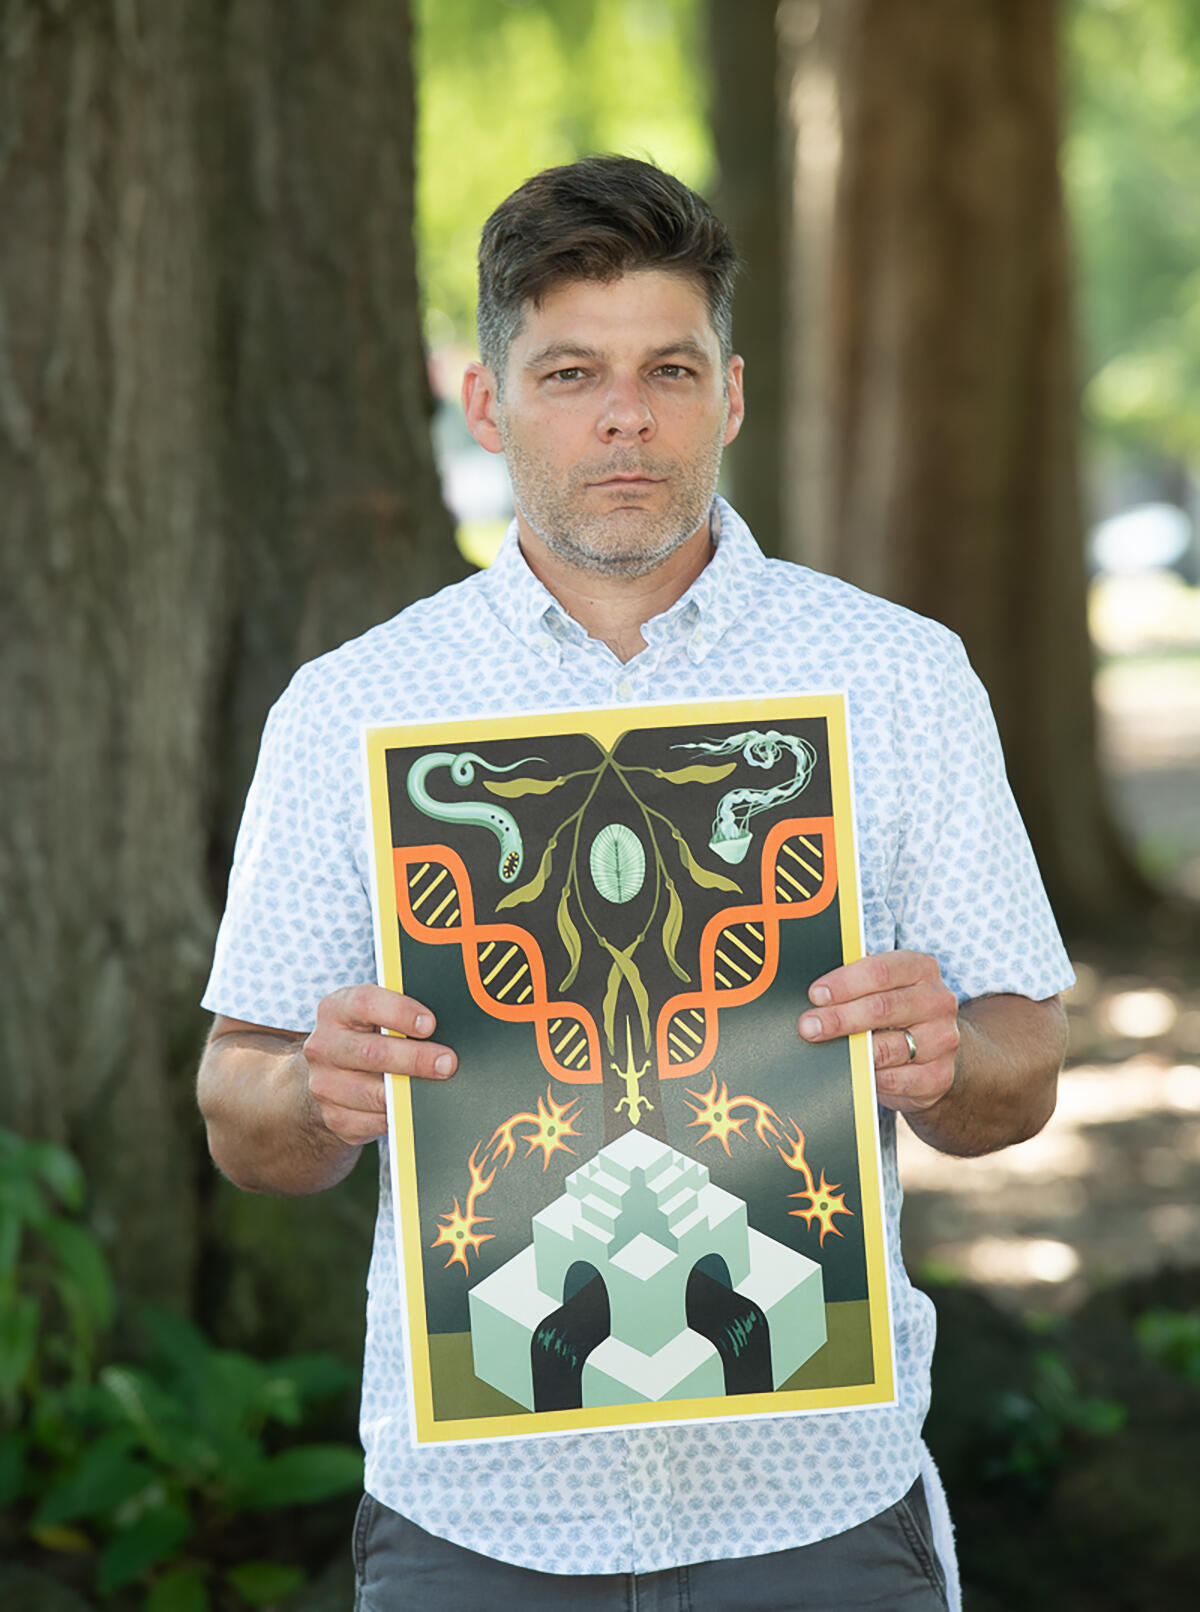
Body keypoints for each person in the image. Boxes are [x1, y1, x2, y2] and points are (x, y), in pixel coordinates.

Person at [198, 157, 1072, 1611]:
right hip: (477, 1523)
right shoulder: (354, 707)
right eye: (570, 373)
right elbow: (242, 1105)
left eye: (671, 367)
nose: (626, 414)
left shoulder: (899, 677)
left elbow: (1023, 1066)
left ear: (731, 396)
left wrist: (950, 1059)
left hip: (820, 1507)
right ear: (487, 405)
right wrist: (312, 1093)